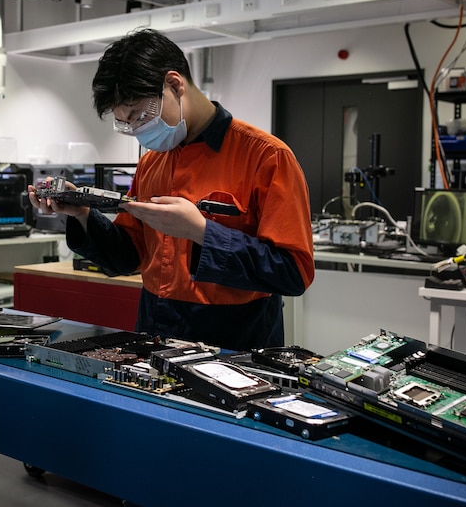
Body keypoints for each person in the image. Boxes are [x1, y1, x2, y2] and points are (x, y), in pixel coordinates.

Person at [29, 28, 314, 351]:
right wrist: (81, 214)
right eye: (127, 124)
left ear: (175, 85)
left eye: (140, 116)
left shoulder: (266, 157)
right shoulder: (153, 163)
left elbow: (293, 273)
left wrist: (203, 232)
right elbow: (128, 257)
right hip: (154, 326)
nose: (137, 131)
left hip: (235, 339)